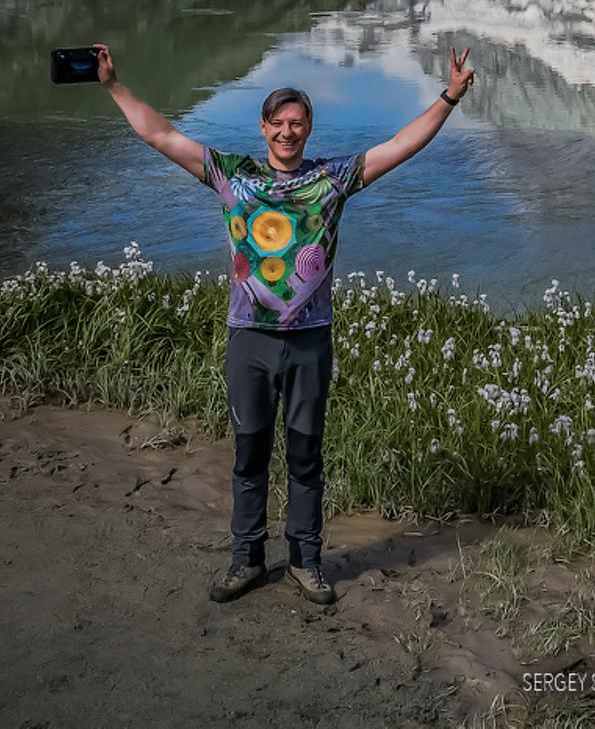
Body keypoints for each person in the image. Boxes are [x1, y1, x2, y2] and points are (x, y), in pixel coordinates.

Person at [92, 41, 475, 606]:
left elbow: (399, 146)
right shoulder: (232, 177)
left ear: (309, 128)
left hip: (309, 342)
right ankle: (245, 560)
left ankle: (305, 561)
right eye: (280, 123)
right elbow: (161, 135)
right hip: (248, 339)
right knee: (249, 454)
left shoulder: (333, 180)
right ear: (264, 126)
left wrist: (449, 98)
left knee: (305, 455)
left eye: (298, 124)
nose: (289, 133)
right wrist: (113, 87)